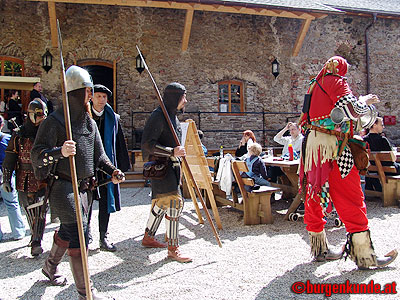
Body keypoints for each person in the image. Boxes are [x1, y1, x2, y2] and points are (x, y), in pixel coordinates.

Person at [31, 65, 124, 298]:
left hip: (85, 189)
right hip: (63, 188)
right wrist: (59, 152)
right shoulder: (54, 122)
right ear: (75, 93)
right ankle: (86, 294)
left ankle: (50, 266)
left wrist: (112, 170)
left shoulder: (89, 123)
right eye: (87, 91)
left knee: (68, 230)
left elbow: (100, 156)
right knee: (80, 236)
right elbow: (37, 156)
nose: (90, 96)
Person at [298, 56, 397, 269]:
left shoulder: (315, 84)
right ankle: (363, 255)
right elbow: (353, 110)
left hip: (314, 148)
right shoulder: (337, 81)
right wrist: (365, 103)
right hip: (335, 148)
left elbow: (325, 112)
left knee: (315, 193)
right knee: (350, 194)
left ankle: (320, 248)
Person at [141, 82, 192, 263]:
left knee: (162, 204)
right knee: (173, 204)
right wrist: (171, 152)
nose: (185, 101)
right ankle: (173, 248)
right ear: (174, 98)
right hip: (162, 168)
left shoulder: (172, 117)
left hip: (172, 169)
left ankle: (149, 237)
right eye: (183, 97)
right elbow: (147, 145)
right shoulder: (158, 116)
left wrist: (176, 152)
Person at [2, 99, 48, 256]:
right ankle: (34, 236)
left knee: (41, 209)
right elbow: (10, 158)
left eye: (44, 114)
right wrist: (6, 179)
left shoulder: (48, 133)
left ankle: (36, 240)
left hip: (43, 177)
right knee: (29, 209)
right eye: (39, 115)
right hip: (25, 177)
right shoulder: (19, 134)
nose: (42, 118)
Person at [88, 84, 130, 252]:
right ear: (91, 97)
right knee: (87, 203)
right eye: (98, 96)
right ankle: (85, 234)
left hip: (107, 166)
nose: (101, 100)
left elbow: (119, 142)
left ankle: (103, 236)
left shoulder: (113, 118)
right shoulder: (84, 115)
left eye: (104, 97)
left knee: (106, 203)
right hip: (88, 167)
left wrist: (120, 168)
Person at [0, 115, 26, 241]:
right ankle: (18, 232)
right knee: (12, 204)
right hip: (6, 175)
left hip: (4, 175)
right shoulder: (7, 139)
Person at [363, 117, 400, 191]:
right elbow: (393, 159)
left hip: (371, 170)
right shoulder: (382, 140)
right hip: (388, 170)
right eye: (381, 125)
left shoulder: (363, 140)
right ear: (374, 125)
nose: (383, 127)